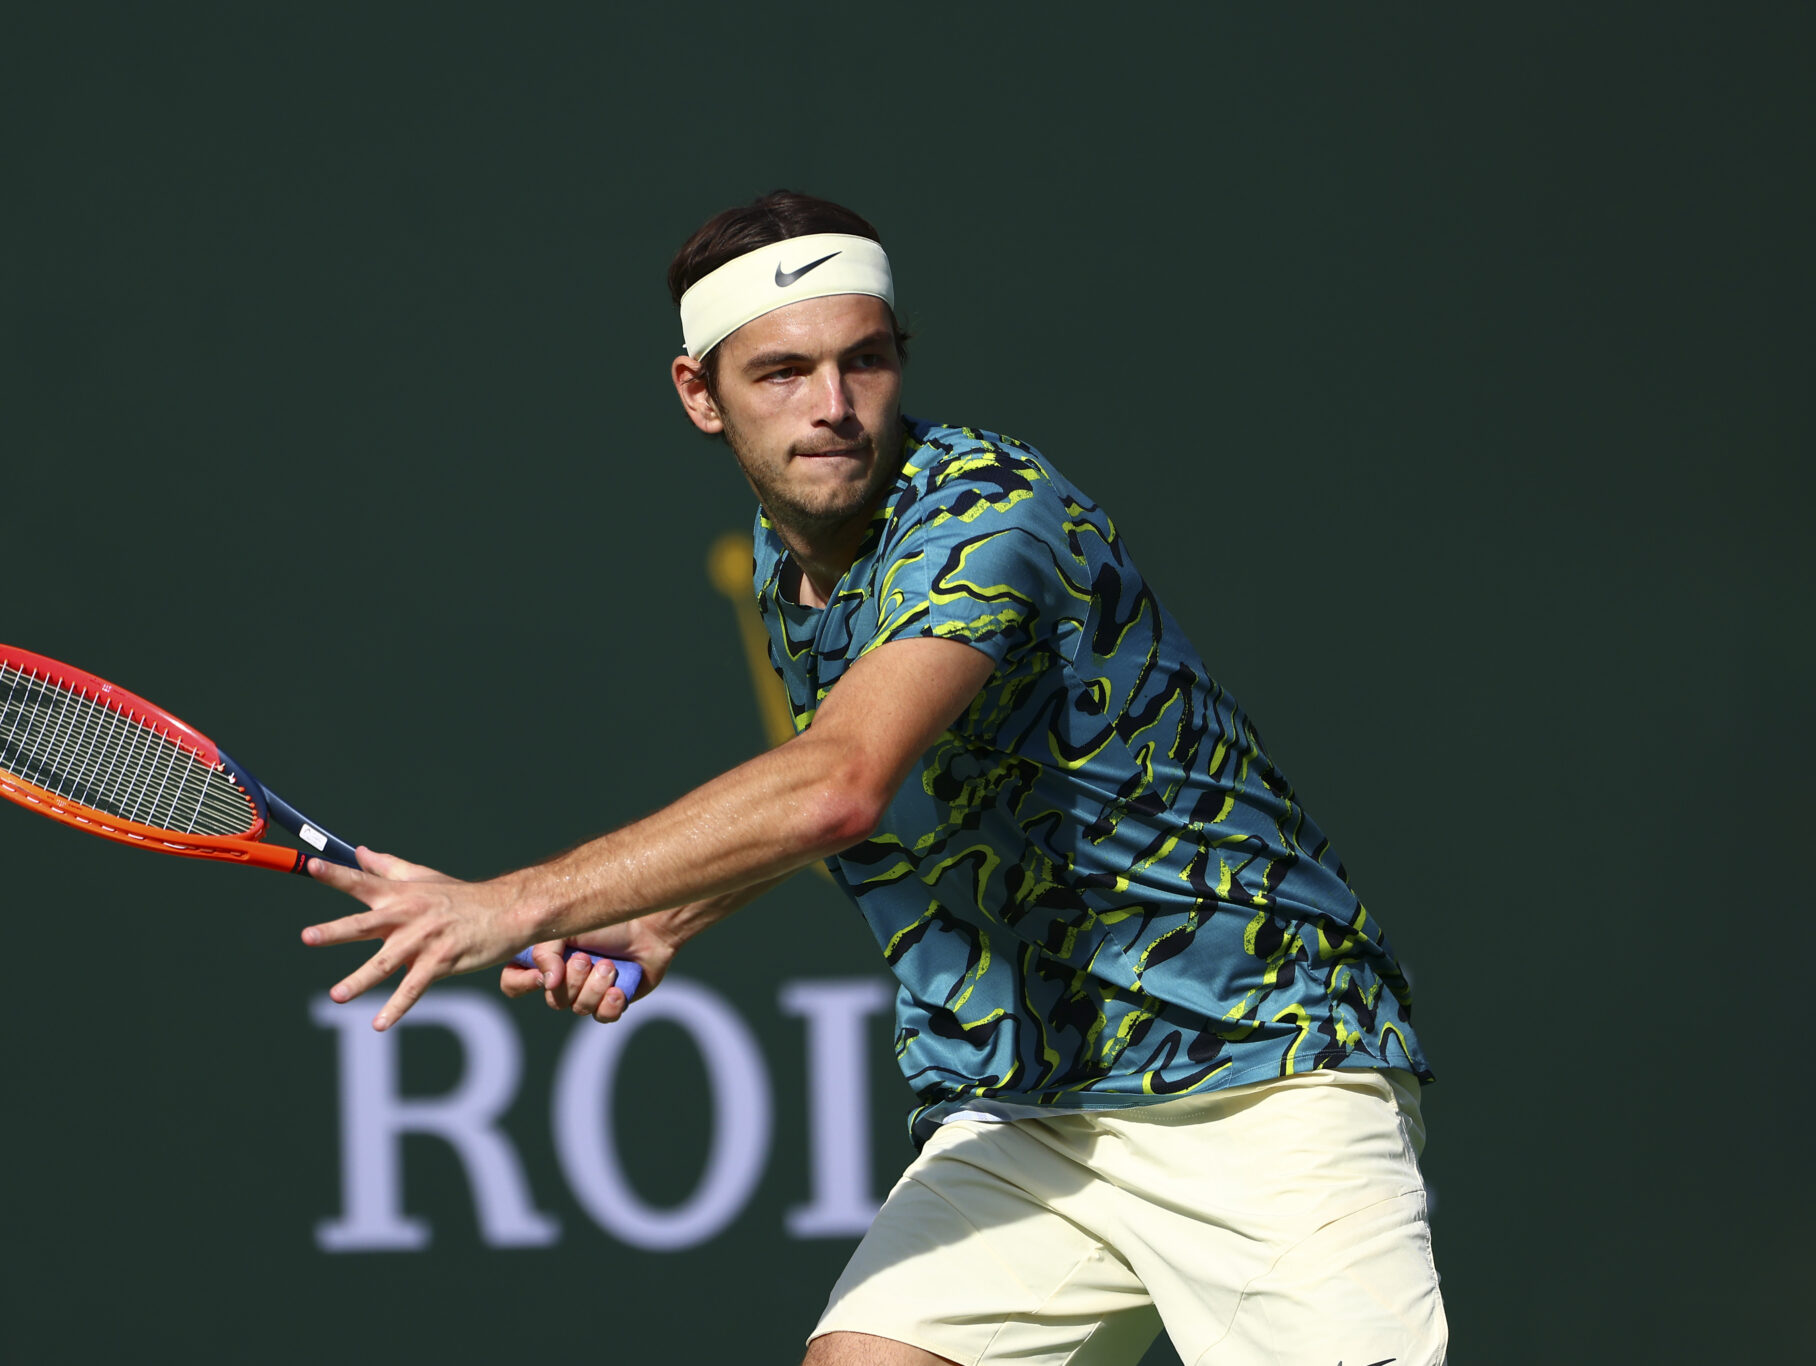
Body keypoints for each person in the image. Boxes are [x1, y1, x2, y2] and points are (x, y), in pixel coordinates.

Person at [302, 190, 1447, 1365]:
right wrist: (663, 917)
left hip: (1261, 1075)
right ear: (699, 393)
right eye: (782, 373)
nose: (833, 408)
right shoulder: (793, 549)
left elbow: (840, 782)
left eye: (864, 361)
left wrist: (510, 903)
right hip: (1029, 1104)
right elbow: (899, 790)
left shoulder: (984, 516)